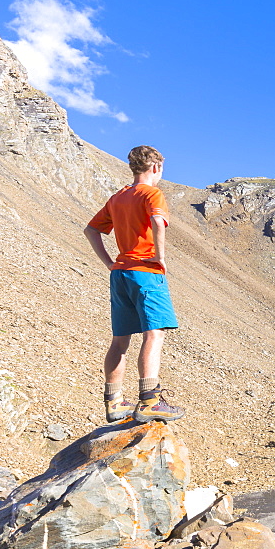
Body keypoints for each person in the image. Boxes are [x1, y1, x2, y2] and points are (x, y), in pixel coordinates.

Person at [84, 145, 185, 423]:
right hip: (145, 272)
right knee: (154, 334)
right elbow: (157, 221)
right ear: (156, 168)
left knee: (120, 340)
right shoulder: (152, 193)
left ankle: (114, 402)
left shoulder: (118, 198)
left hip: (120, 274)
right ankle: (150, 400)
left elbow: (91, 229)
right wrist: (159, 257)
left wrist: (109, 263)